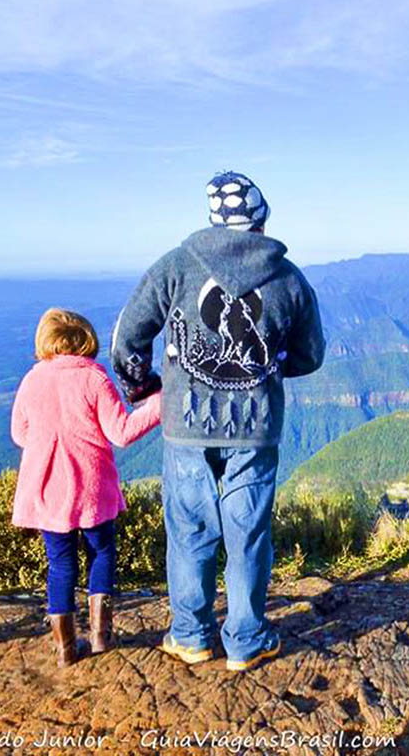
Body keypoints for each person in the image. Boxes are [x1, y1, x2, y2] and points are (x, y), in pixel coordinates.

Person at [111, 171, 324, 672]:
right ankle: (247, 640)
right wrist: (267, 368)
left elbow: (128, 339)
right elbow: (310, 355)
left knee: (189, 532)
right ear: (261, 219)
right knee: (247, 534)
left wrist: (145, 388)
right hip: (256, 425)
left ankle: (191, 636)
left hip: (186, 424)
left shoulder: (175, 267)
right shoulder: (288, 278)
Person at [11, 309, 162, 667]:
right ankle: (100, 636)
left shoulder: (32, 381)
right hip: (92, 488)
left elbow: (20, 434)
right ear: (86, 341)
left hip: (49, 490)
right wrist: (160, 404)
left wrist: (50, 440)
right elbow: (121, 432)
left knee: (60, 564)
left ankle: (65, 649)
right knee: (102, 553)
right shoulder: (94, 379)